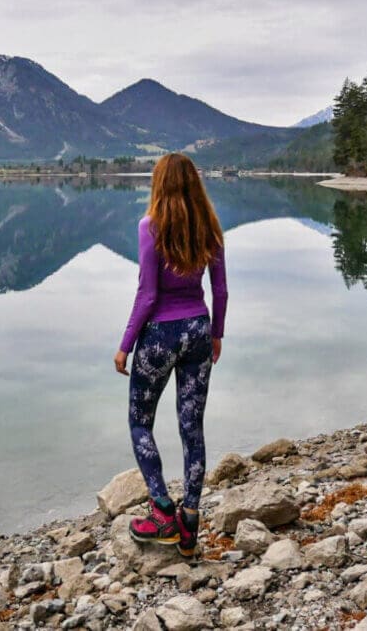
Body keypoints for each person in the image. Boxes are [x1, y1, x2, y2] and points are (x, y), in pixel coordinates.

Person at [113, 152, 228, 558]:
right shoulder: (210, 228)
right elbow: (221, 291)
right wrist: (216, 334)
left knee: (140, 422)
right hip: (198, 329)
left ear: (158, 184)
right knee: (191, 428)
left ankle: (162, 509)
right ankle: (189, 523)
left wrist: (126, 343)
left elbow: (148, 294)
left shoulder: (150, 226)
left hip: (160, 335)